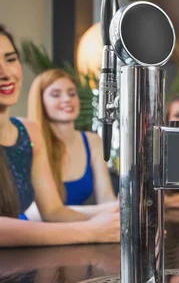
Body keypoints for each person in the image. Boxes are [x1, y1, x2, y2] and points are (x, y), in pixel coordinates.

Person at [0, 24, 119, 246]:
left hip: (19, 267)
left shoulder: (28, 132)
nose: (5, 73)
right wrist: (91, 231)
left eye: (10, 59)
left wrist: (117, 219)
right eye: (55, 94)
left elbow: (53, 211)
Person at [24, 69, 116, 219]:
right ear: (40, 101)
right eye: (56, 94)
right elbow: (36, 213)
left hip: (76, 233)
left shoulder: (93, 141)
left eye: (72, 93)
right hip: (31, 236)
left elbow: (107, 199)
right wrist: (108, 211)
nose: (67, 99)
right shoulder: (28, 141)